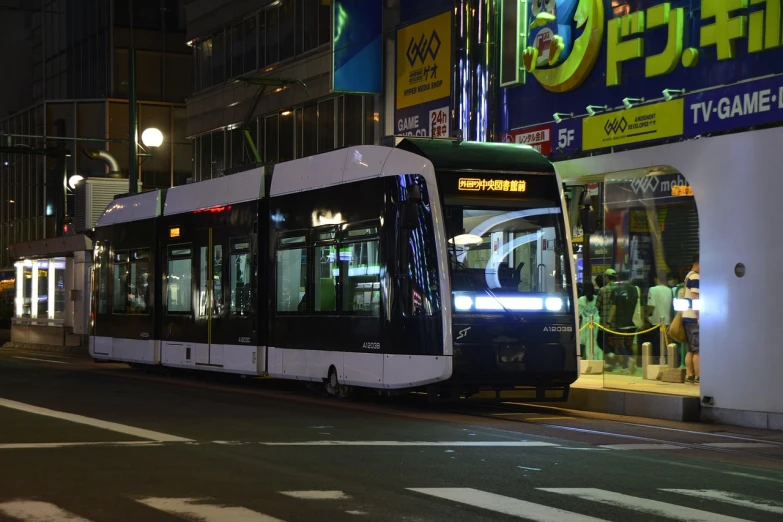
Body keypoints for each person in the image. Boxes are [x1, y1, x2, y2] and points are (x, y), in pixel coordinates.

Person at [607, 271, 639, 373]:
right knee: (629, 343)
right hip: (633, 321)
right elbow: (640, 306)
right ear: (629, 277)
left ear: (618, 278)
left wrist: (608, 321)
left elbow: (613, 307)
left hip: (620, 322)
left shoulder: (617, 290)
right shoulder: (635, 289)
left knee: (619, 343)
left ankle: (628, 360)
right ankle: (626, 367)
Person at [646, 269, 673, 360]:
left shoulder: (653, 289)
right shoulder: (670, 290)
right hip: (668, 322)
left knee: (657, 345)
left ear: (656, 279)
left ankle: (658, 362)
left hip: (656, 322)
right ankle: (668, 362)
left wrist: (645, 316)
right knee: (667, 344)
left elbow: (651, 306)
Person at [683, 254, 700, 384]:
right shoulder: (695, 277)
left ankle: (689, 375)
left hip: (686, 316)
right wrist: (699, 315)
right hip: (693, 317)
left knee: (690, 349)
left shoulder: (688, 275)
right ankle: (698, 376)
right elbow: (696, 298)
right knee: (698, 349)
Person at [596, 268, 617, 358]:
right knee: (614, 341)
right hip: (616, 322)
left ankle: (609, 356)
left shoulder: (602, 290)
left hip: (604, 322)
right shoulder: (619, 289)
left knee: (601, 341)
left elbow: (597, 306)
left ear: (607, 278)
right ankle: (613, 359)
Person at [577, 281, 601, 360]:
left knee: (588, 343)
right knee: (596, 343)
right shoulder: (597, 298)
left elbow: (578, 314)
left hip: (586, 325)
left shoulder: (581, 299)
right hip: (597, 324)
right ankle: (598, 360)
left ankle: (589, 361)